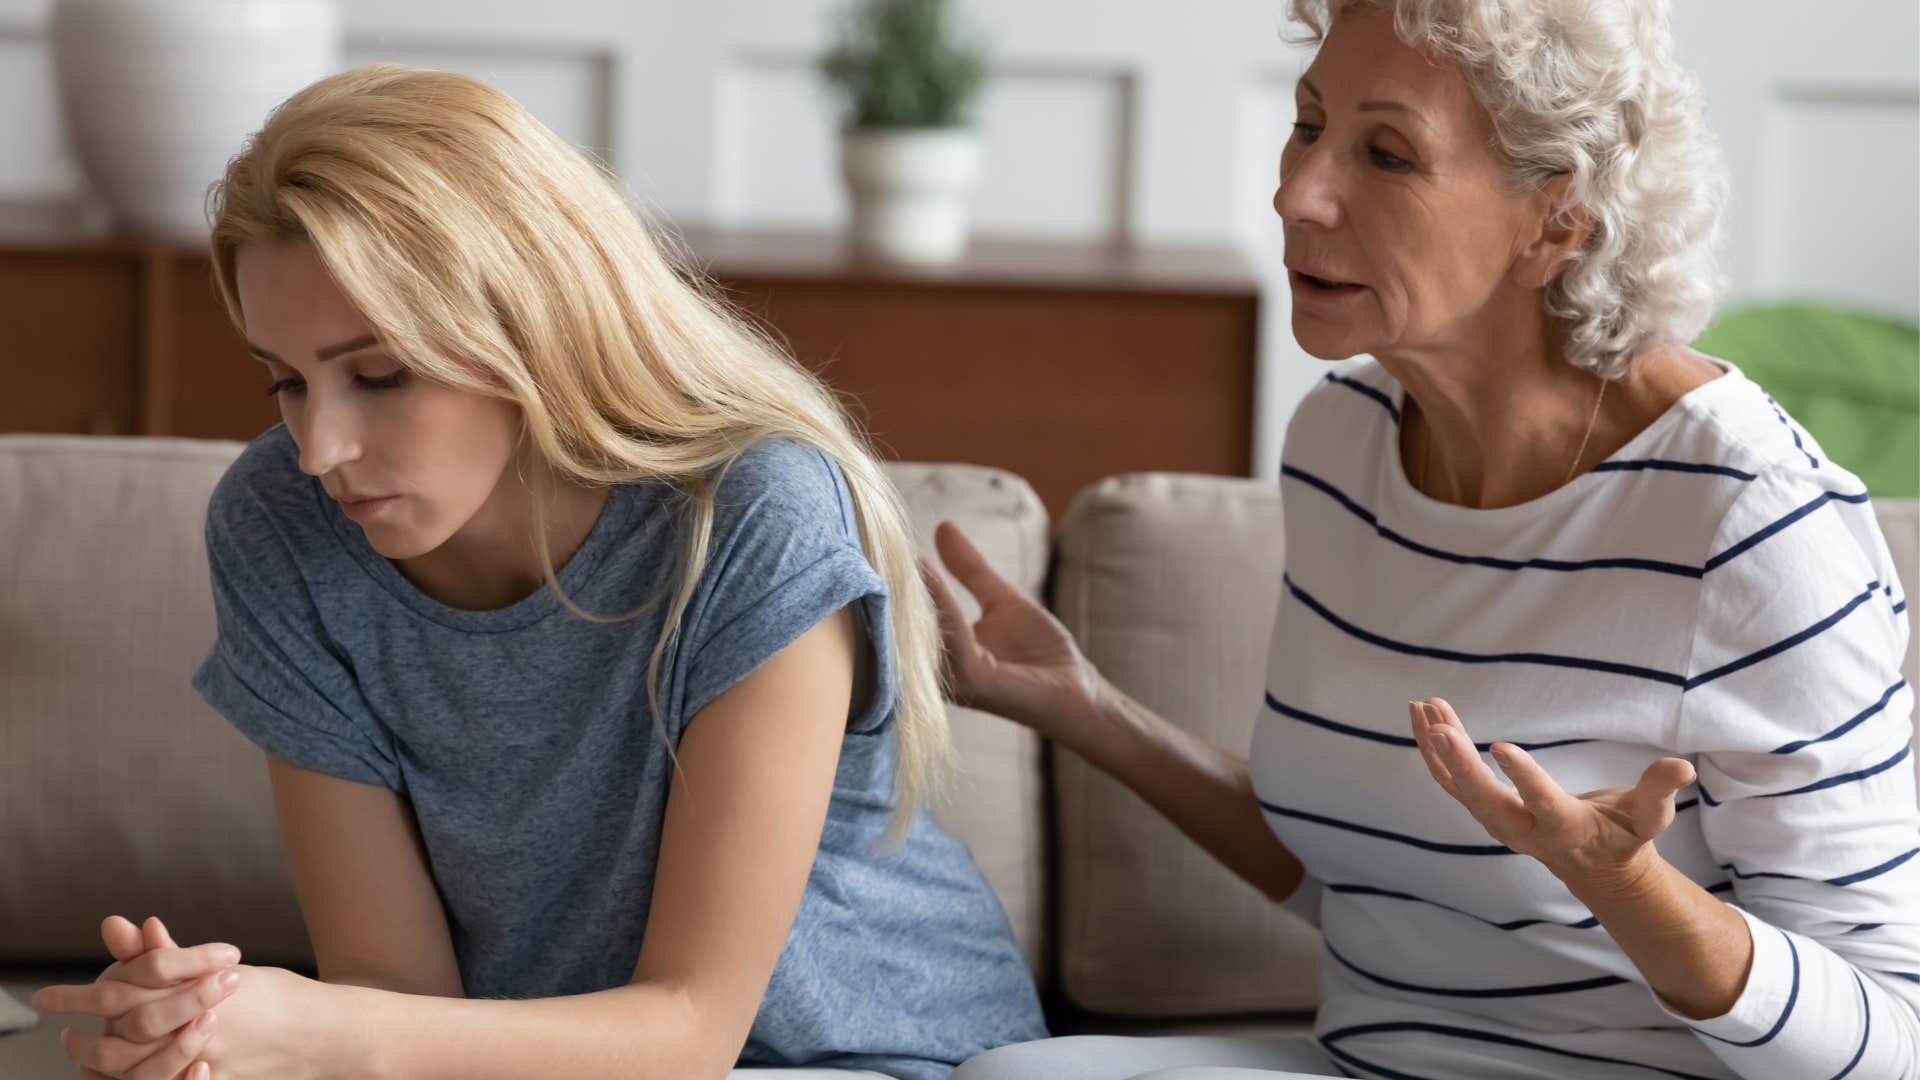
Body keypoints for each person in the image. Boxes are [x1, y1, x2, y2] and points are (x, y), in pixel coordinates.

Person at [941, 2, 1919, 1077]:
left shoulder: (1748, 520)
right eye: (1308, 126)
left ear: (1558, 221)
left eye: (1388, 154)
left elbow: (1887, 1041)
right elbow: (1380, 879)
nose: (1296, 193)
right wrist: (1085, 707)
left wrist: (1625, 887)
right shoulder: (1342, 440)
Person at [30, 63, 1044, 1080]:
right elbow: (395, 993)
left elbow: (690, 1031)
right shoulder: (279, 527)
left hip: (890, 1059)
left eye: (379, 375)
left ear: (533, 325)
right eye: (287, 381)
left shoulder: (750, 512)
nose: (317, 447)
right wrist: (207, 1030)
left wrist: (310, 1032)